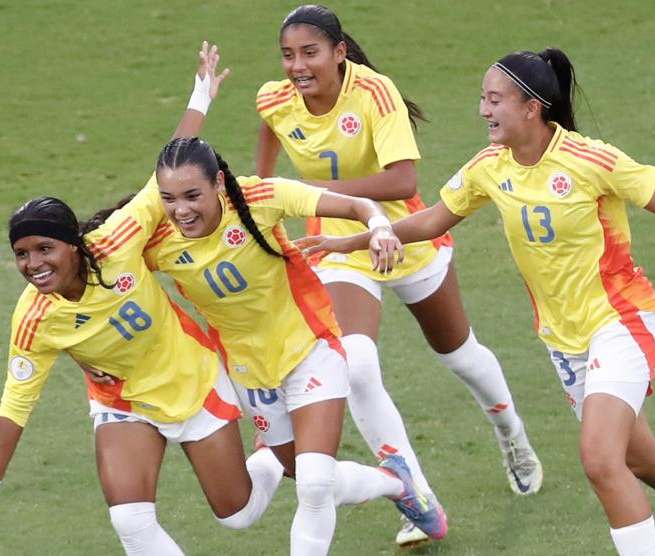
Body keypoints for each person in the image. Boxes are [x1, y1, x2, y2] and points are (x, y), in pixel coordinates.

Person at [0, 44, 432, 556]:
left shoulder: (142, 233)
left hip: (245, 365)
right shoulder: (57, 302)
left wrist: (201, 95)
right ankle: (327, 466)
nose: (34, 265)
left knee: (283, 497)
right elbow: (15, 400)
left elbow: (174, 168)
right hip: (166, 389)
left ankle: (382, 480)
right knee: (153, 521)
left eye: (44, 249)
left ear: (75, 245)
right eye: (22, 254)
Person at [298, 48, 655, 556]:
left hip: (621, 318)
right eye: (482, 98)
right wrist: (355, 239)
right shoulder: (489, 167)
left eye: (494, 100)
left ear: (532, 107)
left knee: (602, 460)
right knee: (639, 456)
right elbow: (430, 221)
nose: (482, 110)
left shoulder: (589, 159)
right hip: (564, 339)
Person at [254, 4, 542, 545]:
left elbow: (401, 178)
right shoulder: (274, 98)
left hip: (406, 232)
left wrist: (322, 196)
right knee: (356, 364)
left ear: (339, 53)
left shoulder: (374, 92)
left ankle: (513, 436)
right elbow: (268, 141)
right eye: (289, 55)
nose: (298, 65)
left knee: (460, 354)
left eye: (310, 53)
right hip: (335, 244)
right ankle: (415, 496)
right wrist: (262, 198)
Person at [125, 135, 447, 551]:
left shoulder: (260, 197)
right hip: (249, 373)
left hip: (309, 349)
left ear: (219, 183)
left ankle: (392, 483)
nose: (181, 211)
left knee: (313, 487)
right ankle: (395, 482)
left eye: (192, 195)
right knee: (309, 476)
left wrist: (380, 229)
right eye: (168, 199)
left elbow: (355, 205)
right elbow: (108, 262)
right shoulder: (157, 240)